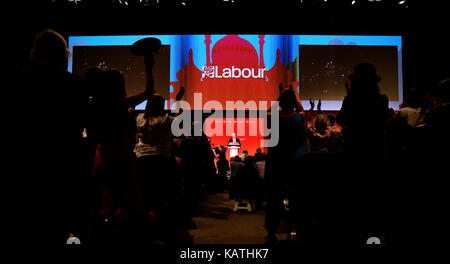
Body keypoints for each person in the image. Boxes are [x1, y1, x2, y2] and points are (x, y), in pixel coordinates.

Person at [11, 29, 90, 244]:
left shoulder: (19, 83)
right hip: (63, 170)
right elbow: (82, 125)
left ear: (36, 52)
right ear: (64, 54)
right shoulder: (76, 86)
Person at [264, 88, 308, 244]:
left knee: (273, 199)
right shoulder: (299, 117)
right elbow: (302, 109)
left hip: (277, 163)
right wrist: (293, 97)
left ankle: (271, 233)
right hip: (297, 163)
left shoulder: (273, 116)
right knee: (298, 198)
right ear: (294, 102)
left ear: (281, 103)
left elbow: (269, 111)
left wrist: (279, 98)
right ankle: (299, 230)